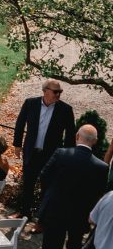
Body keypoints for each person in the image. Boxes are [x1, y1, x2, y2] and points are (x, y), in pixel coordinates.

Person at [32, 125, 107, 249]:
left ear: (76, 137)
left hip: (56, 211)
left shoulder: (61, 154)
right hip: (79, 215)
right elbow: (99, 194)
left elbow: (44, 176)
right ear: (95, 142)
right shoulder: (101, 167)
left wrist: (51, 194)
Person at [13, 79, 77, 221]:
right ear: (45, 91)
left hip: (51, 156)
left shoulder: (66, 110)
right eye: (55, 92)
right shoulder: (30, 103)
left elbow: (70, 136)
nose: (58, 95)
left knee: (47, 188)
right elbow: (20, 123)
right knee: (28, 184)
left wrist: (66, 156)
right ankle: (24, 213)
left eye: (60, 92)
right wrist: (17, 145)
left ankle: (42, 220)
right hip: (32, 151)